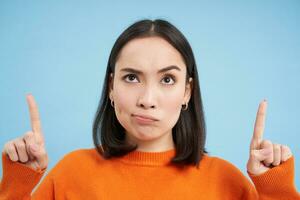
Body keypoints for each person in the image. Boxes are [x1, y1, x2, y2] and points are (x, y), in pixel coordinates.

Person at [0, 19, 299, 200]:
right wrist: (18, 182)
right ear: (111, 87)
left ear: (187, 92)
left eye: (167, 79)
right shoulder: (70, 174)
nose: (147, 98)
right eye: (132, 77)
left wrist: (275, 191)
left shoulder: (227, 181)